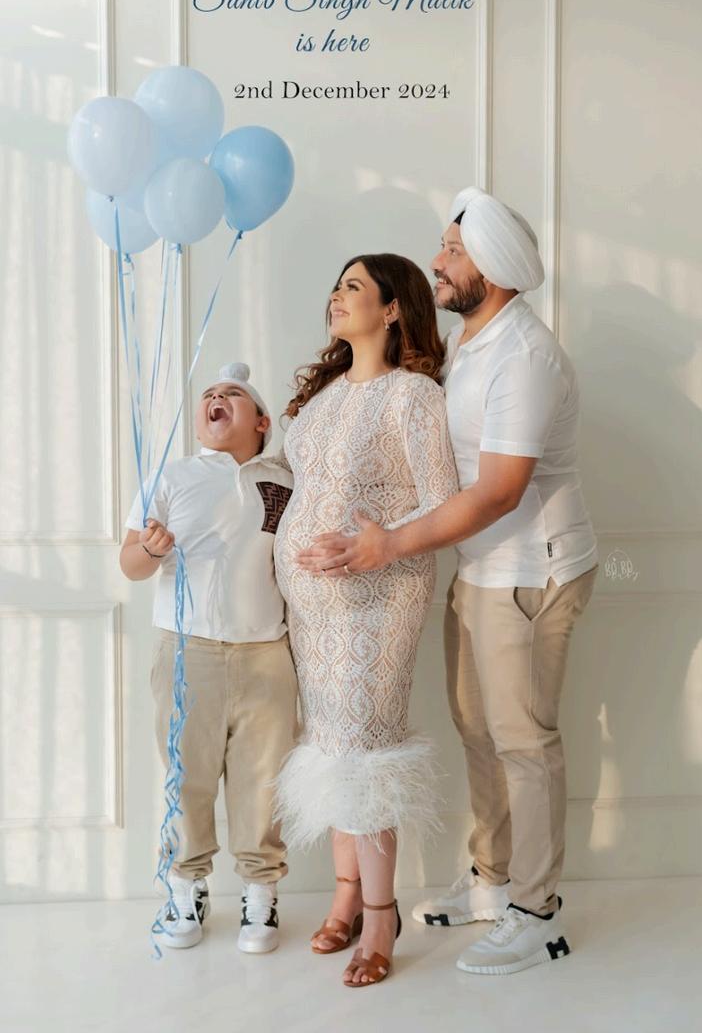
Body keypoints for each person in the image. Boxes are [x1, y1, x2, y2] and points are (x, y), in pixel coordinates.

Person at [297, 189, 599, 976]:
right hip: (479, 569)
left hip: (530, 570)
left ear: (492, 266)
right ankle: (493, 880)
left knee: (524, 740)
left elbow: (498, 491)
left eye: (454, 252)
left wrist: (388, 544)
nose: (438, 262)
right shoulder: (472, 343)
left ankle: (537, 911)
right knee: (478, 730)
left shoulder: (525, 357)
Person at [272, 254, 459, 987]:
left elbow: (443, 504)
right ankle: (346, 895)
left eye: (353, 286)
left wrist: (373, 547)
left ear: (392, 308)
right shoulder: (320, 398)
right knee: (329, 744)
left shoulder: (414, 397)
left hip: (380, 599)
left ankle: (381, 915)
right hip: (312, 611)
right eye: (335, 285)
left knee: (366, 752)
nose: (336, 296)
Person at [120, 362, 297, 954]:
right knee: (187, 776)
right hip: (186, 651)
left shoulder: (285, 480)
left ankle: (260, 895)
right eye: (209, 394)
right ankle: (184, 887)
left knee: (263, 781)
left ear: (262, 421)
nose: (216, 398)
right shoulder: (171, 476)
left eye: (233, 394)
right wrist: (149, 549)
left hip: (266, 652)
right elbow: (130, 563)